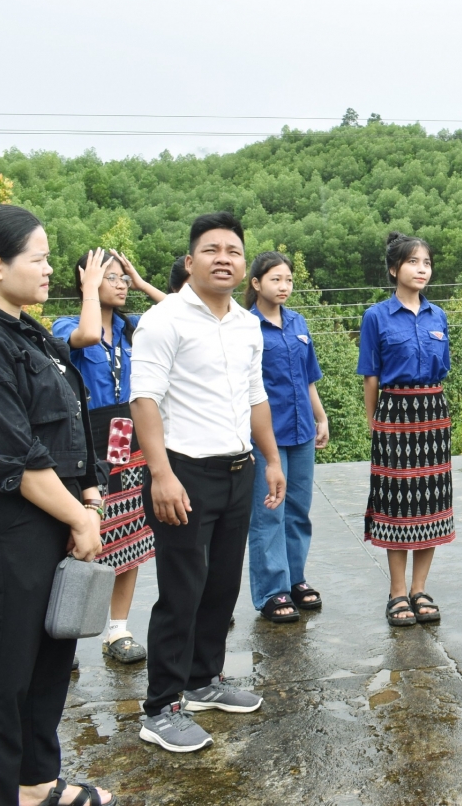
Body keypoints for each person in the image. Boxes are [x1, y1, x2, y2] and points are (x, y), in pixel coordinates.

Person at [0, 204, 117, 805]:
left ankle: (35, 783)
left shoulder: (24, 331)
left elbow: (67, 422)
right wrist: (80, 517)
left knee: (48, 663)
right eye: (39, 258)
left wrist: (90, 490)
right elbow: (16, 455)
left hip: (56, 515)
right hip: (10, 526)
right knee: (2, 677)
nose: (49, 268)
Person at [130, 212, 287, 752]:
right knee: (181, 590)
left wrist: (270, 458)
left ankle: (203, 680)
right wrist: (161, 474)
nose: (224, 258)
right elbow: (144, 398)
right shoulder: (164, 319)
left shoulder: (246, 324)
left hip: (238, 468)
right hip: (184, 471)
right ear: (191, 260)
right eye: (212, 249)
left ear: (243, 266)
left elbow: (255, 396)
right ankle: (161, 707)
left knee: (221, 584)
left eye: (234, 251)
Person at [51, 247, 168, 665]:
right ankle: (60, 633)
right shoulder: (67, 324)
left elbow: (178, 313)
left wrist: (139, 282)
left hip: (128, 438)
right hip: (86, 440)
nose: (120, 284)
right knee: (78, 538)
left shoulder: (130, 328)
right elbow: (82, 337)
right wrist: (88, 291)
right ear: (86, 279)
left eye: (123, 277)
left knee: (129, 537)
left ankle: (117, 629)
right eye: (111, 276)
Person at [358, 232, 454, 627]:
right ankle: (397, 592)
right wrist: (374, 424)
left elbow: (443, 366)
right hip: (394, 412)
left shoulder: (438, 316)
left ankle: (420, 588)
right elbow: (370, 377)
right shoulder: (376, 316)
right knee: (396, 505)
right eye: (413, 262)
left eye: (426, 263)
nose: (421, 269)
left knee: (430, 504)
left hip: (433, 412)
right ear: (395, 269)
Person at [244, 251, 329, 623]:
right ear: (256, 283)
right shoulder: (245, 327)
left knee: (298, 510)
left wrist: (320, 417)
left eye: (288, 280)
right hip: (267, 435)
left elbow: (308, 377)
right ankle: (271, 590)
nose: (284, 286)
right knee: (268, 513)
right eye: (275, 279)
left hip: (301, 431)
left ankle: (296, 579)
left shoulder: (298, 322)